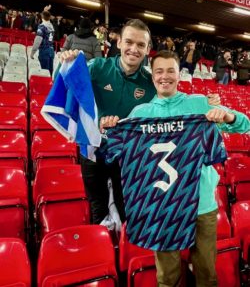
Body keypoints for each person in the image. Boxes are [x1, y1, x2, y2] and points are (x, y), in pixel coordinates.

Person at [101, 50, 250, 287]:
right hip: (162, 206)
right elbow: (110, 149)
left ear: (179, 74)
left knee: (207, 275)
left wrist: (227, 117)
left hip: (202, 205)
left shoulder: (200, 104)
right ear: (152, 76)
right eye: (159, 71)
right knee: (167, 277)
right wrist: (109, 128)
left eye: (170, 71)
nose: (165, 76)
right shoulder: (141, 114)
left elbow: (245, 124)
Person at [60, 19, 221, 226]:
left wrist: (203, 102)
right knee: (97, 206)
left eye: (140, 45)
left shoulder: (150, 81)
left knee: (127, 204)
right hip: (93, 147)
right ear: (118, 43)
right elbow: (65, 84)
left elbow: (172, 101)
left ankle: (127, 250)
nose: (133, 49)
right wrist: (66, 63)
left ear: (147, 49)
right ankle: (104, 249)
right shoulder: (96, 67)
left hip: (128, 153)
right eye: (129, 42)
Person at [30, 10, 54, 76]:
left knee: (44, 72)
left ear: (42, 17)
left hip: (44, 50)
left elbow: (38, 40)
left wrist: (33, 52)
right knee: (50, 72)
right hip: (51, 50)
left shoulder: (42, 26)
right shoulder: (51, 26)